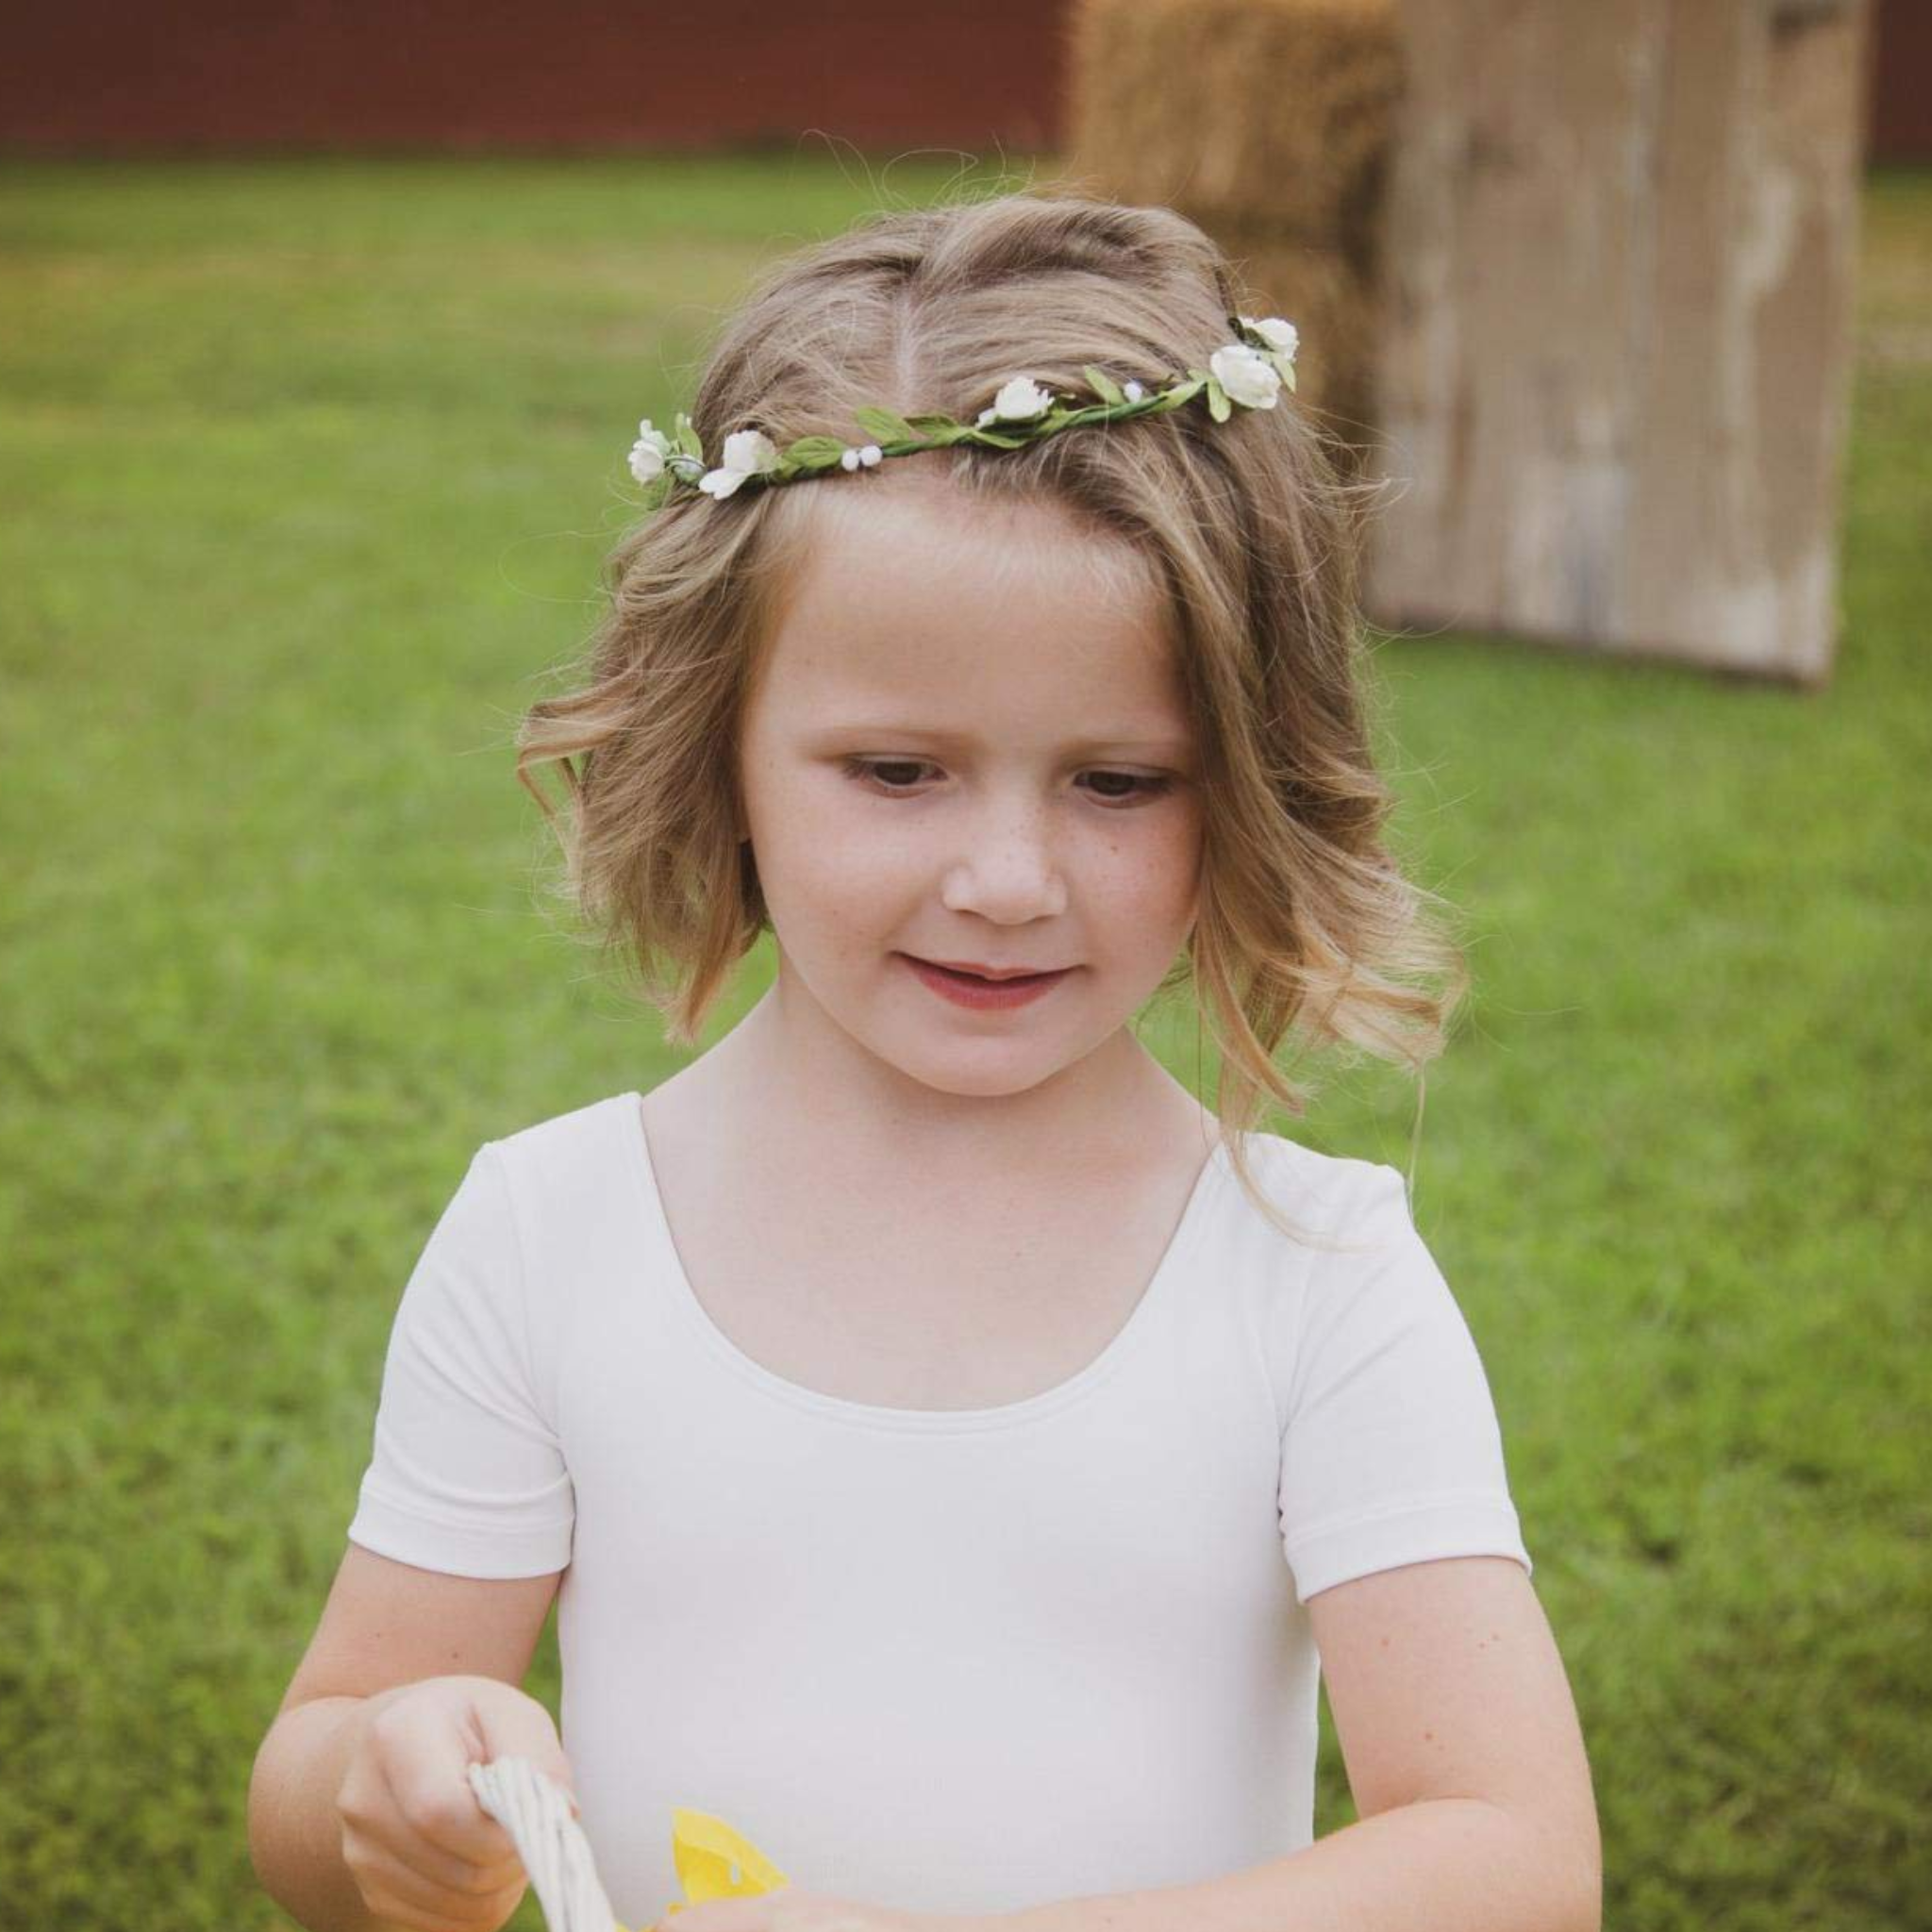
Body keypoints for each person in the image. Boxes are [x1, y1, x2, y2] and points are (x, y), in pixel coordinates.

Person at [248, 191, 1601, 1932]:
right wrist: (386, 1786)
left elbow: (1514, 1858)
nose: (1008, 883)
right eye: (897, 772)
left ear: (1248, 785)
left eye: (1120, 782)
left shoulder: (1311, 1280)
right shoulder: (553, 1237)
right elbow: (317, 1780)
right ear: (714, 745)